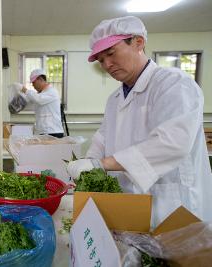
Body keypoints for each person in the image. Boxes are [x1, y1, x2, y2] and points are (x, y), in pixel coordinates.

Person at [67, 16, 212, 227]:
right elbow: (103, 137)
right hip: (133, 204)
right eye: (100, 60)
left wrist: (101, 165)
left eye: (111, 53)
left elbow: (172, 143)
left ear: (138, 43)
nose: (107, 64)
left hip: (176, 203)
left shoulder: (174, 84)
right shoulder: (115, 99)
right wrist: (88, 162)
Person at [20, 69, 64, 138]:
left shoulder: (52, 91)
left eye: (34, 82)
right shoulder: (40, 94)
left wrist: (25, 90)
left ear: (40, 79)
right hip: (44, 132)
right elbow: (32, 100)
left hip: (53, 132)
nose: (33, 85)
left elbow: (39, 99)